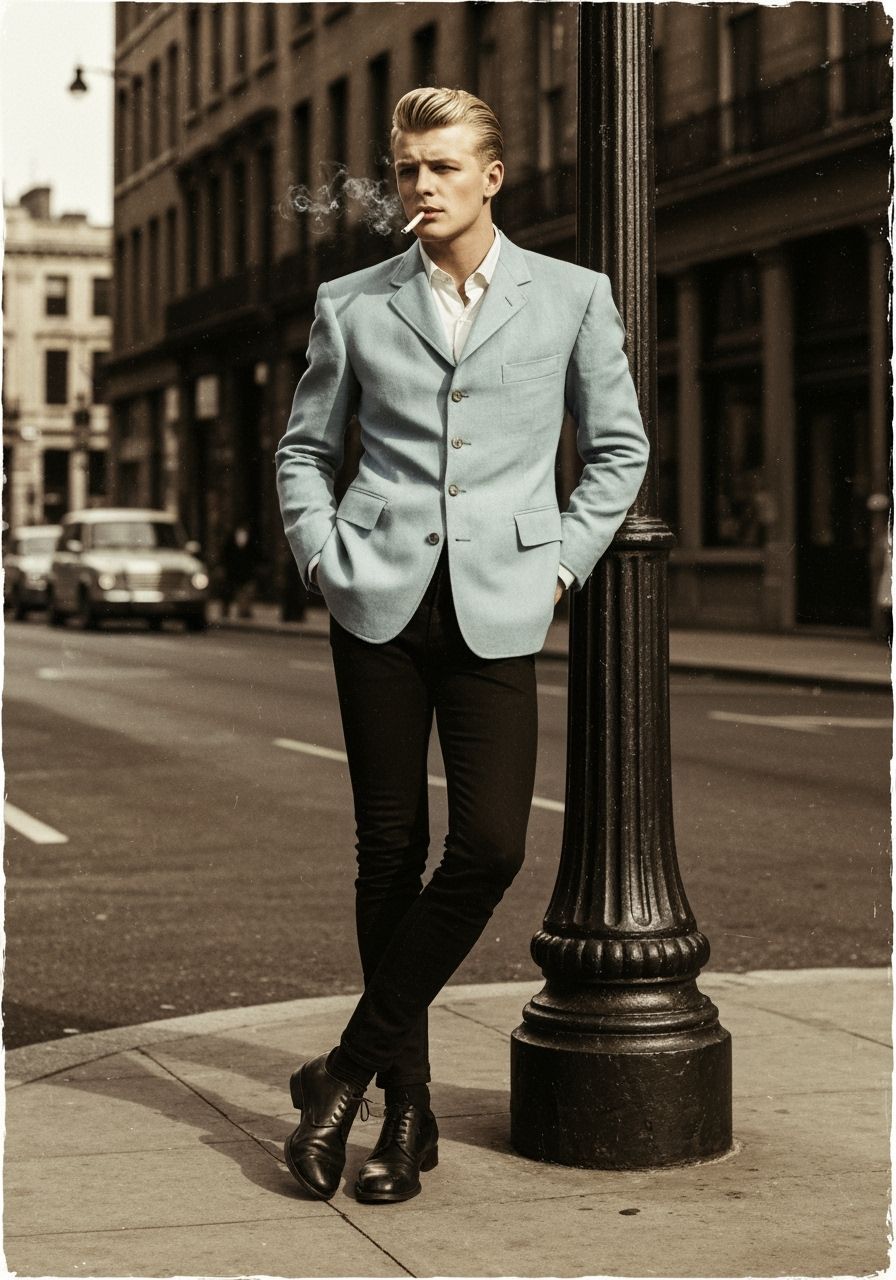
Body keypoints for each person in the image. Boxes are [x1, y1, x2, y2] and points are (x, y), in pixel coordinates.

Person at [275, 86, 649, 1205]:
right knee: (388, 852)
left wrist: (560, 563)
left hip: (498, 600)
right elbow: (303, 447)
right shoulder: (351, 302)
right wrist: (320, 553)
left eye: (441, 167)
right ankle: (407, 1110)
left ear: (491, 175)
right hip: (376, 601)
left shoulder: (571, 298)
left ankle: (341, 1072)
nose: (420, 187)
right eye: (404, 170)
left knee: (486, 845)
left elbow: (618, 449)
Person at [219, 523, 256, 619]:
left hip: (244, 571)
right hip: (233, 570)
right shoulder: (231, 541)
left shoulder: (249, 541)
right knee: (230, 591)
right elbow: (225, 555)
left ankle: (244, 611)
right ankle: (227, 610)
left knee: (244, 592)